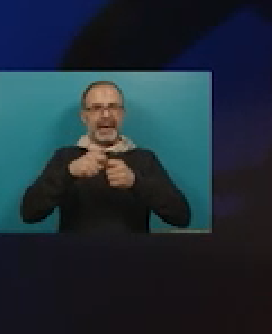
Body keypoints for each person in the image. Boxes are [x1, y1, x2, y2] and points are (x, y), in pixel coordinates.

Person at [19, 80, 191, 234]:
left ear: (122, 114)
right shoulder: (65, 157)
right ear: (84, 117)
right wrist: (68, 173)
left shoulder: (145, 159)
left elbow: (181, 217)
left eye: (113, 107)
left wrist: (136, 182)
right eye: (96, 108)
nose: (106, 115)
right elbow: (29, 213)